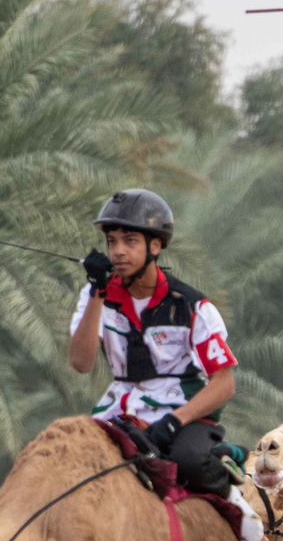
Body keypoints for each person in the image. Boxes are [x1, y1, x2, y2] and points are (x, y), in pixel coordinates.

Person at [68, 188, 238, 476]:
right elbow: (81, 363)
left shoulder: (192, 306)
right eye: (112, 242)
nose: (118, 251)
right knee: (69, 463)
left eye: (130, 241)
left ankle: (233, 463)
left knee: (191, 463)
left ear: (155, 247)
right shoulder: (94, 296)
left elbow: (224, 384)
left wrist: (175, 420)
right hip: (118, 409)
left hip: (179, 413)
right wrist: (98, 291)